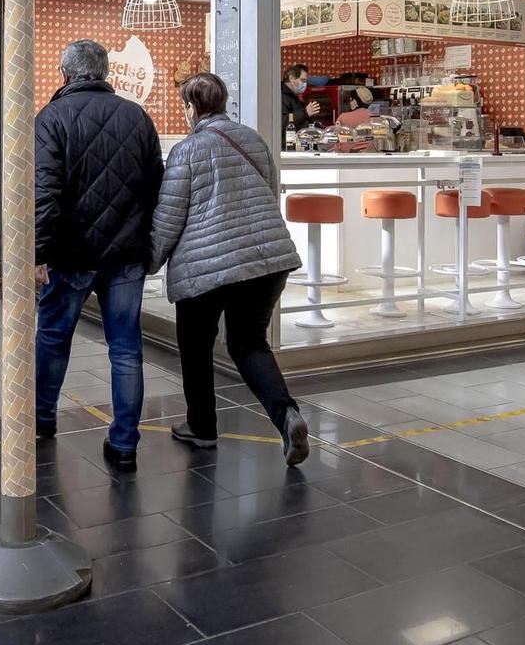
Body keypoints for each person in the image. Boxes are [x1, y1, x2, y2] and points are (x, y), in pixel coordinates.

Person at [150, 73, 310, 468]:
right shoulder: (253, 139)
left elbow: (169, 217)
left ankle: (201, 428)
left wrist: (149, 261)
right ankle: (287, 415)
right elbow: (271, 192)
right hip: (267, 260)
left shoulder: (186, 151)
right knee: (249, 343)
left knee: (196, 347)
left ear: (191, 107)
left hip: (207, 268)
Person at [34, 39, 163, 472]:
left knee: (53, 339)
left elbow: (45, 193)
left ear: (65, 74)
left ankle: (41, 420)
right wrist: (149, 244)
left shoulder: (52, 118)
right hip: (126, 255)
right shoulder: (137, 117)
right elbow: (155, 188)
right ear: (105, 73)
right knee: (126, 348)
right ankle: (125, 444)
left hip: (70, 255)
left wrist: (36, 251)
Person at [282, 64, 324, 135]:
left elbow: (304, 122)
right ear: (291, 78)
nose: (305, 84)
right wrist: (305, 113)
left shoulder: (294, 97)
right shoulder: (281, 96)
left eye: (306, 81)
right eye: (302, 80)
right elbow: (282, 122)